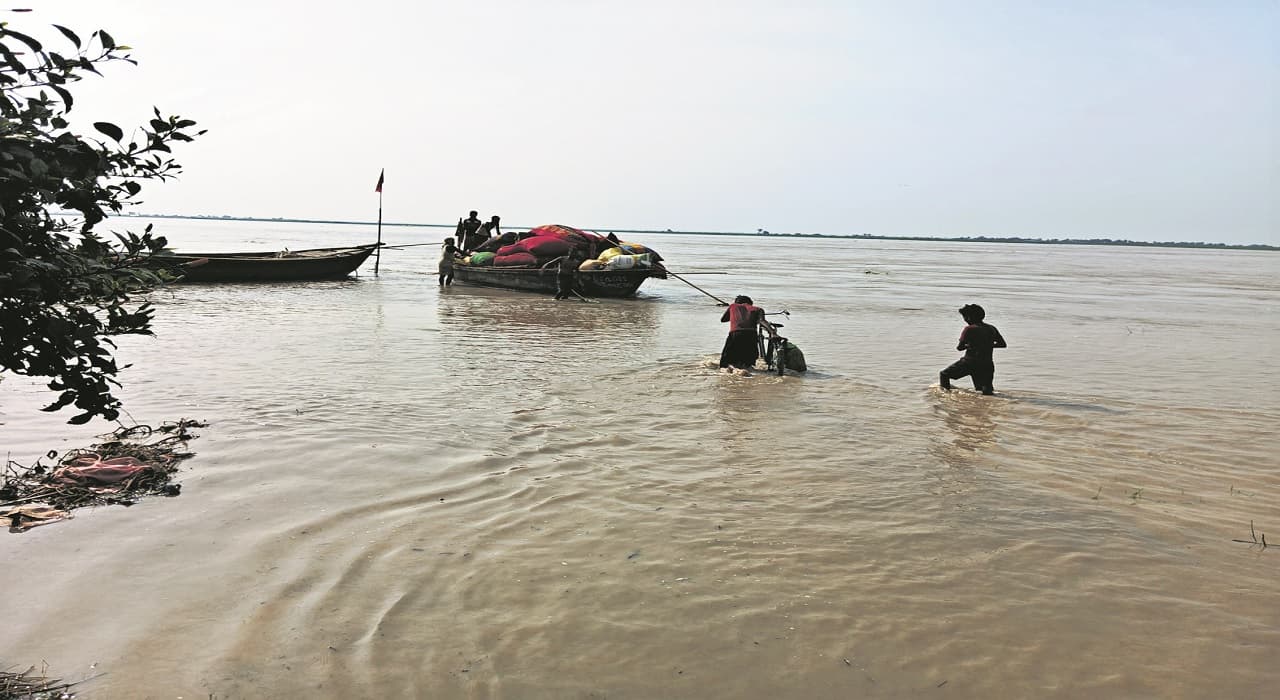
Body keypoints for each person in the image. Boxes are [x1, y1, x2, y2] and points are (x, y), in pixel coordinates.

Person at [940, 303, 1007, 395]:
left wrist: (971, 345)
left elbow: (960, 348)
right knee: (986, 391)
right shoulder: (991, 328)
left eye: (964, 317)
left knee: (944, 374)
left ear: (969, 317)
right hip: (987, 364)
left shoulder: (969, 329)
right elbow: (1003, 344)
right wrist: (987, 345)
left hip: (969, 362)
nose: (965, 320)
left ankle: (945, 397)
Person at [719, 295, 775, 369]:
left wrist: (733, 313)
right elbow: (762, 321)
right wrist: (773, 333)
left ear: (737, 302)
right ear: (751, 303)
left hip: (735, 334)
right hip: (751, 335)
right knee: (747, 362)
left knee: (726, 361)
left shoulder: (733, 306)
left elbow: (723, 319)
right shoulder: (758, 309)